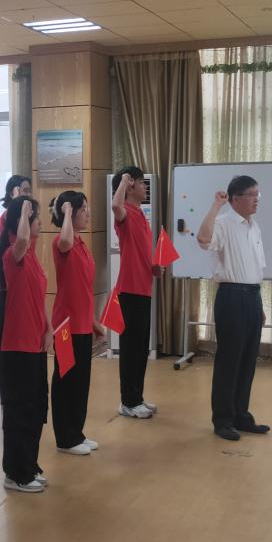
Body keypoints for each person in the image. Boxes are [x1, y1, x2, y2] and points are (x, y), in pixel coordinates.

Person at [197, 176, 270, 441]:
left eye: (258, 194)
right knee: (229, 360)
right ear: (236, 198)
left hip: (252, 296)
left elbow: (256, 268)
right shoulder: (223, 223)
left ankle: (241, 415)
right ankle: (223, 420)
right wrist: (216, 206)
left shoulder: (254, 226)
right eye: (252, 195)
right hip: (231, 296)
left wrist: (259, 305)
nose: (256, 200)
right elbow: (203, 239)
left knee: (248, 360)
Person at [0, 197, 50, 493]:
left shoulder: (32, 257)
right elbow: (19, 242)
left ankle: (29, 465)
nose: (40, 221)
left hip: (36, 344)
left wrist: (48, 328)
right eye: (35, 217)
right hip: (18, 346)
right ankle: (16, 472)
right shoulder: (12, 255)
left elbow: (39, 298)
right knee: (19, 411)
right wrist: (23, 209)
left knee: (35, 408)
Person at [49, 191, 106, 455]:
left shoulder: (82, 243)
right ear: (69, 212)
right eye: (83, 209)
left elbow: (82, 288)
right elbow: (65, 241)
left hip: (82, 324)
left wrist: (93, 320)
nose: (88, 213)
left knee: (81, 382)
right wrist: (67, 212)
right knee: (66, 382)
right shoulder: (61, 242)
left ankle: (76, 433)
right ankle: (65, 438)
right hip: (65, 326)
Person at [110, 167, 161, 419]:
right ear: (130, 187)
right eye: (141, 182)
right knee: (131, 350)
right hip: (129, 291)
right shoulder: (125, 213)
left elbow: (141, 251)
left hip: (143, 288)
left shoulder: (140, 214)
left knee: (141, 349)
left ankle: (136, 398)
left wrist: (153, 266)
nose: (145, 187)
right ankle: (128, 402)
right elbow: (115, 206)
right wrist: (122, 180)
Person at [0, 175, 31, 342]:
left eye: (30, 191)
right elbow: (17, 240)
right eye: (25, 191)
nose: (28, 195)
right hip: (10, 283)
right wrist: (17, 201)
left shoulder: (28, 219)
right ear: (12, 193)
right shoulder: (7, 217)